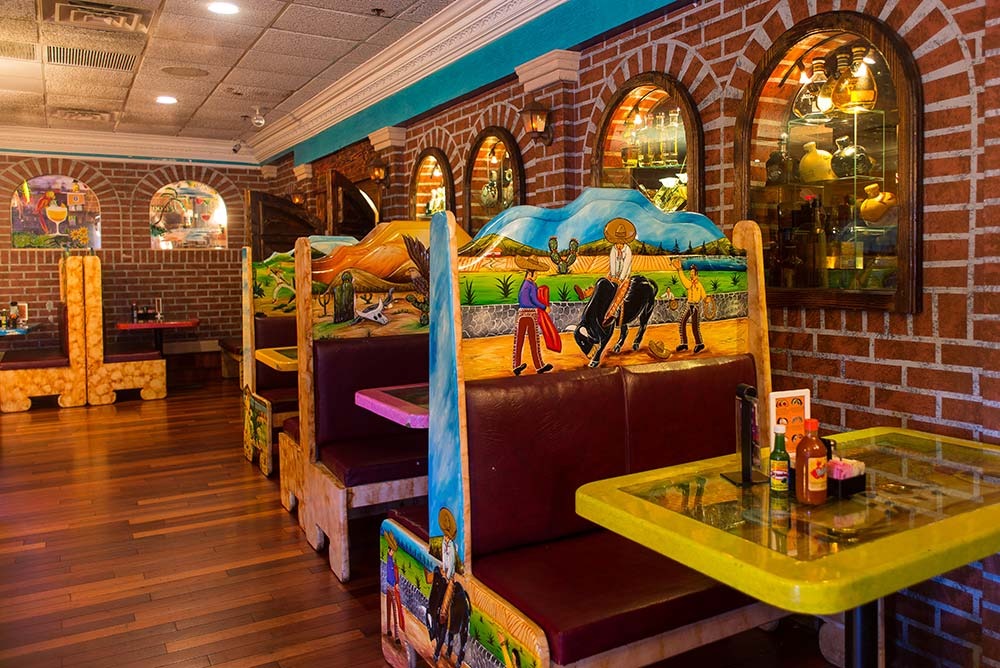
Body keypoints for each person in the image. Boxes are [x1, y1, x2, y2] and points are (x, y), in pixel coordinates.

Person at [511, 256, 554, 375]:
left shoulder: (524, 284)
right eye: (536, 273)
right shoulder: (531, 285)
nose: (537, 275)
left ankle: (516, 365)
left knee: (519, 340)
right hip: (530, 314)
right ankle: (539, 366)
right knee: (534, 340)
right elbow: (534, 300)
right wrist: (544, 307)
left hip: (521, 314)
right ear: (530, 273)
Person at [602, 218, 636, 325]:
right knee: (603, 283)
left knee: (620, 293)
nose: (619, 246)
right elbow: (612, 263)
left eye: (621, 243)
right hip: (614, 275)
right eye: (617, 243)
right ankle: (586, 293)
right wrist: (613, 276)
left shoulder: (628, 251)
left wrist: (620, 279)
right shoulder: (613, 249)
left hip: (624, 277)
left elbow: (626, 266)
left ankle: (611, 314)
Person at [671, 257, 706, 353]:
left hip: (695, 307)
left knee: (694, 326)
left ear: (696, 274)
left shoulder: (699, 285)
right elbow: (684, 280)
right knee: (682, 322)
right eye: (690, 274)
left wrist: (707, 300)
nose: (691, 275)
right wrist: (679, 270)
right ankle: (684, 343)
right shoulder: (689, 284)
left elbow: (704, 296)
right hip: (689, 306)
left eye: (692, 274)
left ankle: (699, 344)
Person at [383, 530, 405, 642]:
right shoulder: (389, 561)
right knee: (390, 609)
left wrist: (397, 583)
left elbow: (395, 576)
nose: (392, 552)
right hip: (389, 586)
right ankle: (389, 630)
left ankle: (396, 636)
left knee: (395, 611)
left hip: (391, 587)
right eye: (391, 550)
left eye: (392, 551)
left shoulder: (393, 564)